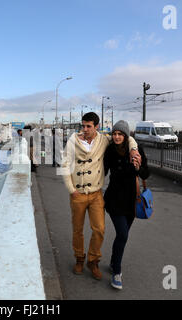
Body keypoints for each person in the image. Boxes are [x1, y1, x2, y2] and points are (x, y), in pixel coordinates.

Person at [61, 112, 141, 280]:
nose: (85, 129)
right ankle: (79, 259)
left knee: (99, 229)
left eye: (88, 126)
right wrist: (71, 190)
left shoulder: (103, 140)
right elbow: (64, 165)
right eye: (83, 126)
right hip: (78, 193)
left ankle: (93, 260)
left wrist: (133, 149)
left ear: (96, 126)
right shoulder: (73, 140)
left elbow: (126, 137)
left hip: (96, 193)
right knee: (77, 230)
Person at [103, 120, 149, 290]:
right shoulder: (109, 151)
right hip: (114, 200)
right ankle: (117, 272)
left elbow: (146, 173)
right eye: (114, 133)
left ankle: (114, 261)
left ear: (126, 135)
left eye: (120, 134)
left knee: (122, 236)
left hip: (131, 200)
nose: (116, 137)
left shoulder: (137, 150)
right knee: (122, 234)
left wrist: (138, 168)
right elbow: (102, 171)